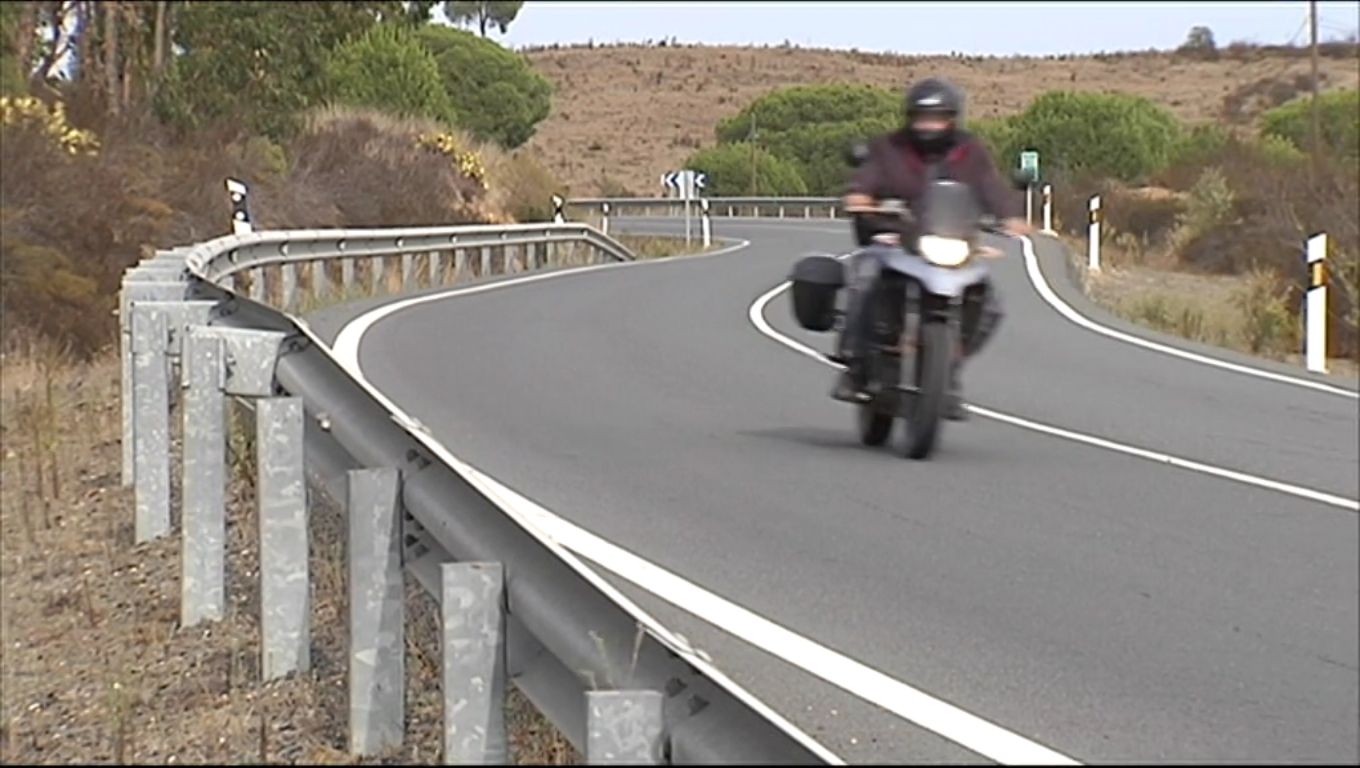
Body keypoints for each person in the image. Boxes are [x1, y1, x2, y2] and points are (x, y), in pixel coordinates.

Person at [832, 76, 1031, 420]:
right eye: (923, 118)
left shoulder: (970, 152)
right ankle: (855, 364)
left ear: (952, 119)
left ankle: (948, 368)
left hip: (952, 242)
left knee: (988, 302)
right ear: (910, 118)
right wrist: (861, 198)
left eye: (937, 118)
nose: (929, 126)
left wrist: (1010, 215)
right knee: (865, 275)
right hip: (894, 237)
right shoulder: (889, 148)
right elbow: (867, 179)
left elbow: (991, 188)